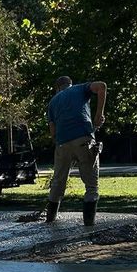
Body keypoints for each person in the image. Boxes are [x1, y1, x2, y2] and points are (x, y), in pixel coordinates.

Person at [45, 76, 108, 226]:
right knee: (91, 185)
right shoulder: (80, 88)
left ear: (57, 88)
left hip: (62, 144)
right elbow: (102, 86)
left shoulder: (52, 103)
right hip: (84, 139)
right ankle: (88, 224)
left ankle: (50, 219)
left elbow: (52, 132)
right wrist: (98, 115)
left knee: (58, 183)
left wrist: (64, 144)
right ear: (70, 84)